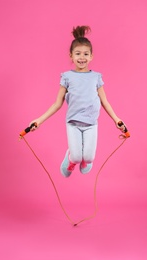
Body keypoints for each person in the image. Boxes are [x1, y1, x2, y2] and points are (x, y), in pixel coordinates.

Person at [29, 25, 127, 178]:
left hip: (91, 124)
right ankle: (71, 158)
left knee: (88, 158)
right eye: (78, 54)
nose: (82, 57)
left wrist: (117, 119)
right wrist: (39, 120)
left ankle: (83, 158)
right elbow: (57, 104)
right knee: (76, 157)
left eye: (86, 54)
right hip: (73, 123)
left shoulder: (96, 77)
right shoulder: (67, 77)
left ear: (91, 56)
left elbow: (105, 101)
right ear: (71, 56)